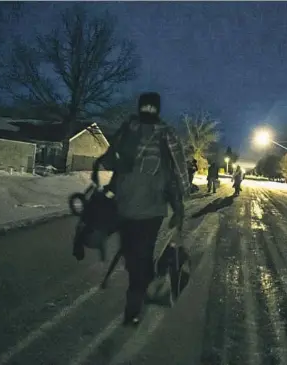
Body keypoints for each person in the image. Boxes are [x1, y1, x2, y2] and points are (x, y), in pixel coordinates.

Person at [92, 92, 190, 325]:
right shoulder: (159, 133)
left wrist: (178, 206)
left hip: (141, 209)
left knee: (137, 257)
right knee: (135, 257)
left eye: (149, 106)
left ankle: (133, 306)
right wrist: (179, 205)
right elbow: (180, 174)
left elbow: (107, 161)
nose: (147, 109)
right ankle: (146, 282)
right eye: (145, 106)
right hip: (137, 208)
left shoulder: (134, 130)